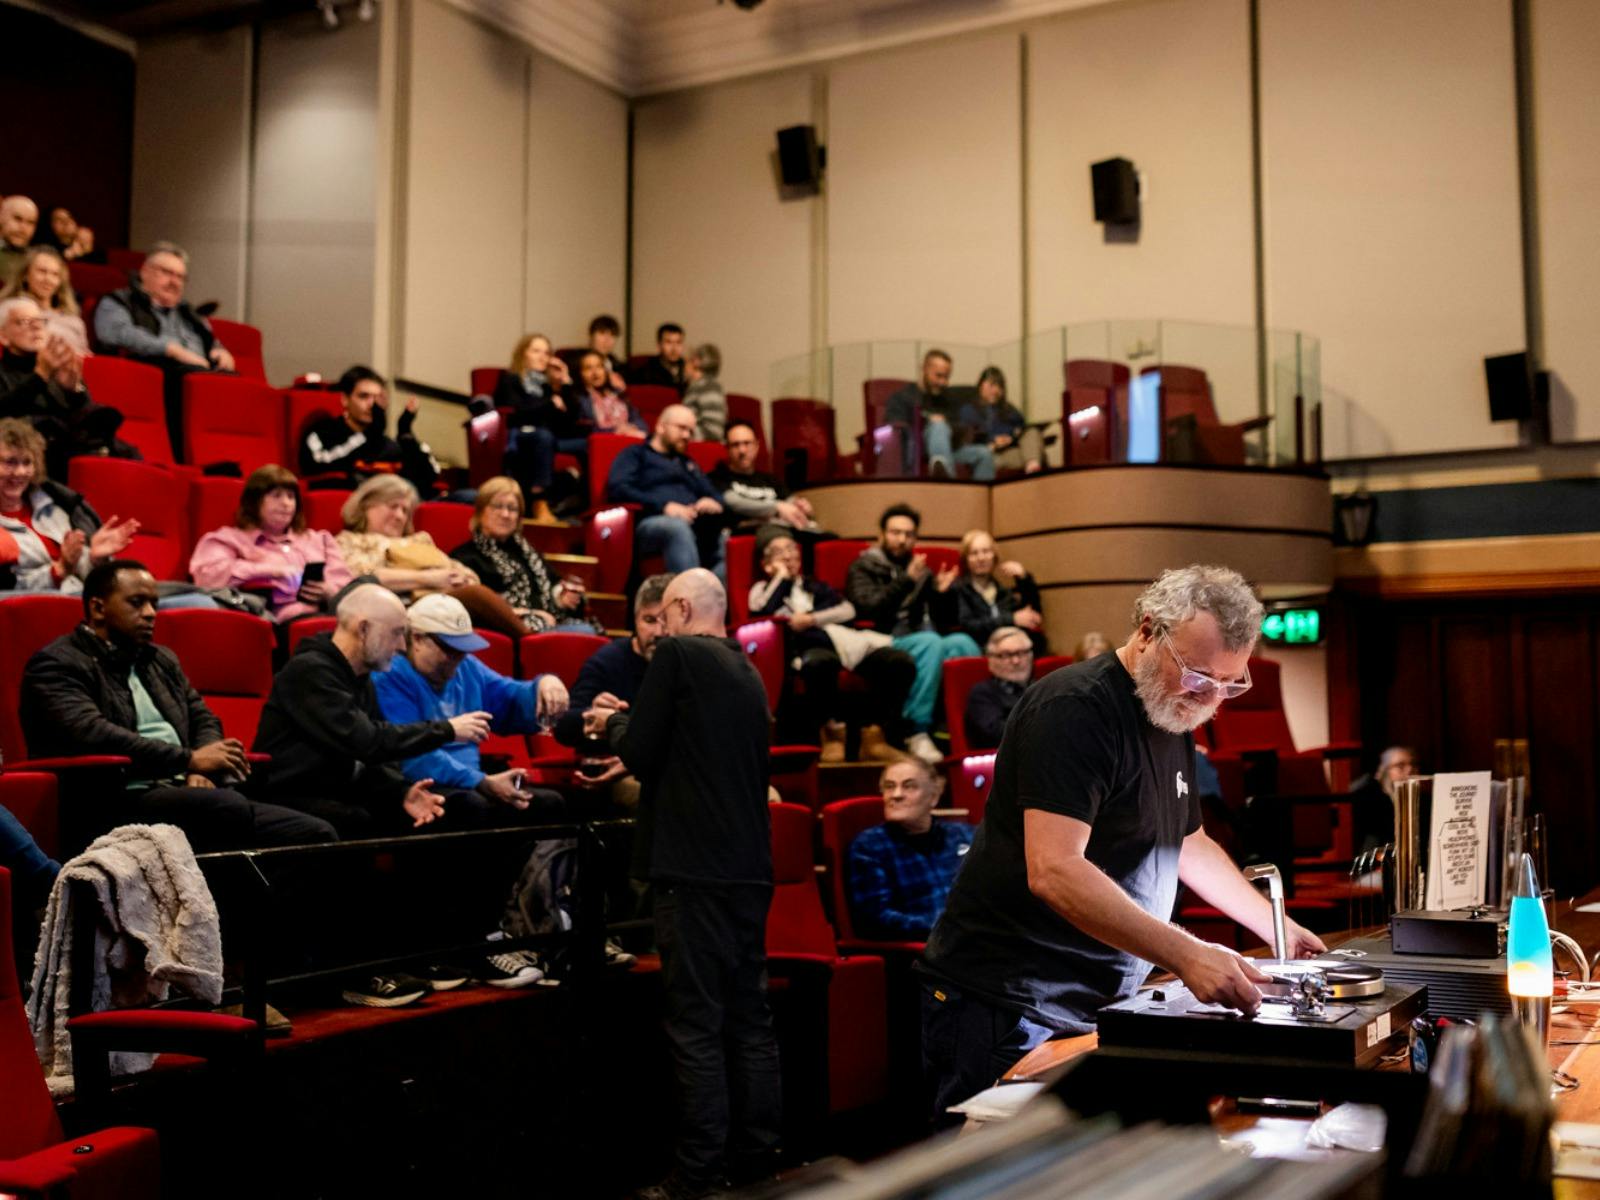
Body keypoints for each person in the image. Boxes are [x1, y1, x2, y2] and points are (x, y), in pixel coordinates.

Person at [919, 565, 1328, 1118]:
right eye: (1199, 675)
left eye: (1229, 683)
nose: (1210, 697)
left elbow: (1186, 842)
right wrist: (1187, 954)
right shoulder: (1073, 710)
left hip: (1092, 1000)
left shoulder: (1172, 710)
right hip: (1009, 1003)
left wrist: (1273, 926)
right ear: (1147, 630)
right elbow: (1054, 869)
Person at [588, 569, 781, 1199]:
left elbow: (641, 753)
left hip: (693, 868)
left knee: (696, 1024)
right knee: (750, 1020)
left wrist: (611, 722)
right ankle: (758, 1163)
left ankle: (699, 1174)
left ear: (677, 607)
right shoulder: (746, 669)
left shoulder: (677, 653)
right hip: (750, 868)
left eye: (662, 616)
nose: (658, 630)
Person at [21, 560, 337, 849]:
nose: (150, 613)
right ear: (98, 608)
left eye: (154, 604)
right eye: (137, 602)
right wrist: (188, 761)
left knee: (314, 833)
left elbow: (204, 718)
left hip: (182, 786)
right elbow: (92, 733)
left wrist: (204, 770)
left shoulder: (159, 659)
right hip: (117, 795)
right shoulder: (58, 663)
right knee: (226, 808)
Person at [252, 583, 491, 838]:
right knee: (356, 821)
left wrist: (402, 792)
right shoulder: (309, 672)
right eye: (397, 633)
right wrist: (447, 729)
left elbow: (375, 758)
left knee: (456, 808)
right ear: (364, 629)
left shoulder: (361, 676)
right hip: (291, 795)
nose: (402, 646)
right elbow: (367, 741)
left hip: (342, 791)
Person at [372, 593, 568, 824]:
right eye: (449, 649)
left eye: (463, 649)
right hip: (416, 786)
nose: (457, 659)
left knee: (549, 803)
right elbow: (410, 754)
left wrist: (544, 685)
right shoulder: (390, 674)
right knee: (472, 807)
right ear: (416, 638)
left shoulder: (466, 667)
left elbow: (508, 697)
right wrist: (481, 781)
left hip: (470, 782)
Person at [749, 533, 913, 763]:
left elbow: (848, 611)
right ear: (766, 565)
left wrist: (812, 619)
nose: (788, 555)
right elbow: (760, 612)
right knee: (821, 662)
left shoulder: (814, 585)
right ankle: (832, 736)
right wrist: (782, 578)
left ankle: (874, 735)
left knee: (899, 662)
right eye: (779, 553)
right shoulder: (761, 588)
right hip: (802, 649)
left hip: (844, 643)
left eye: (791, 550)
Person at [845, 504, 979, 764]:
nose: (902, 539)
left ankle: (959, 728)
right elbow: (868, 608)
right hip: (881, 638)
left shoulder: (922, 570)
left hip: (921, 636)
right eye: (895, 533)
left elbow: (941, 620)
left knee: (963, 643)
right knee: (931, 643)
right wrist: (905, 580)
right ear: (881, 535)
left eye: (908, 534)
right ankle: (916, 730)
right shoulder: (863, 566)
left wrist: (942, 593)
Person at [335, 474, 530, 637]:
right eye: (393, 506)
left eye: (405, 510)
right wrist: (430, 579)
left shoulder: (418, 540)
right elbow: (362, 577)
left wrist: (459, 578)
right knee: (477, 596)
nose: (400, 516)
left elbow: (467, 574)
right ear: (365, 506)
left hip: (443, 602)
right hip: (402, 607)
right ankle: (532, 640)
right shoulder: (349, 541)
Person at [92, 243, 236, 457]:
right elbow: (113, 332)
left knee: (235, 383)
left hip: (202, 382)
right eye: (167, 273)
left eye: (180, 277)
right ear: (145, 272)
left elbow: (212, 342)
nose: (174, 282)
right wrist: (171, 349)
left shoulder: (189, 313)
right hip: (154, 382)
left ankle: (222, 456)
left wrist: (221, 352)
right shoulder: (119, 300)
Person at [553, 573, 672, 811]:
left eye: (666, 621)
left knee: (766, 795)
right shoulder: (608, 662)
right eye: (649, 620)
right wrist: (592, 713)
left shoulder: (685, 664)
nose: (659, 632)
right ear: (635, 621)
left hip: (669, 768)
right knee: (665, 800)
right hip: (617, 774)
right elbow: (563, 725)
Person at [189, 464, 353, 623]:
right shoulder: (229, 539)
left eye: (291, 496)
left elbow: (344, 584)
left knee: (368, 586)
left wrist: (330, 591)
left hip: (331, 615)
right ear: (254, 502)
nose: (286, 503)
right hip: (273, 621)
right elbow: (207, 577)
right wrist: (269, 570)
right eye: (276, 495)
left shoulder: (319, 539)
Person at [0, 418, 137, 596]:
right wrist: (58, 571)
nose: (20, 472)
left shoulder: (51, 509)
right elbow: (8, 590)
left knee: (176, 598)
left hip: (81, 597)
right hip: (41, 609)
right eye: (10, 462)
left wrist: (94, 558)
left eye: (27, 463)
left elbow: (79, 571)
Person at [0, 298, 133, 476]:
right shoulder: (13, 371)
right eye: (24, 322)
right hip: (32, 450)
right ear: (3, 336)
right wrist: (41, 376)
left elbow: (86, 414)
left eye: (41, 321)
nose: (37, 327)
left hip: (72, 444)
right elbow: (4, 410)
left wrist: (74, 390)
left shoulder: (58, 367)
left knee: (125, 449)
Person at [846, 758, 974, 941]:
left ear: (934, 796)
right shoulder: (869, 847)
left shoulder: (964, 836)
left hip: (975, 941)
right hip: (921, 951)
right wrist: (947, 928)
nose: (896, 794)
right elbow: (876, 918)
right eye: (889, 786)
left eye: (909, 786)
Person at [448, 476, 594, 634]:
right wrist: (529, 614)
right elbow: (477, 606)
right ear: (481, 510)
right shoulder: (465, 556)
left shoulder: (528, 553)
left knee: (588, 631)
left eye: (512, 509)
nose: (505, 514)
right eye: (497, 506)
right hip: (508, 630)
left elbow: (555, 584)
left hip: (548, 625)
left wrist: (562, 597)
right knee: (584, 631)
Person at [605, 405, 724, 575]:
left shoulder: (687, 463)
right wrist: (664, 506)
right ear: (661, 426)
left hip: (694, 522)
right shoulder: (636, 454)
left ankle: (711, 599)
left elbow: (715, 494)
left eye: (690, 431)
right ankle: (689, 596)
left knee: (725, 539)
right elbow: (619, 489)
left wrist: (711, 501)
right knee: (676, 527)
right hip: (650, 522)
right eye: (681, 428)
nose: (687, 436)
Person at [298, 366, 441, 498]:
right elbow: (319, 467)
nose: (372, 404)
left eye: (376, 398)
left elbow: (430, 475)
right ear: (345, 399)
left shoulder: (385, 443)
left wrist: (405, 432)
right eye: (363, 396)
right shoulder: (324, 432)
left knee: (462, 497)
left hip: (400, 506)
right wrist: (369, 435)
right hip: (355, 504)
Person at [493, 332, 583, 525]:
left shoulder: (549, 386)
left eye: (546, 352)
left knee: (587, 444)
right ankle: (539, 501)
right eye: (536, 351)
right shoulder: (511, 379)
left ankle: (583, 503)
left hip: (548, 437)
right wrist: (549, 404)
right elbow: (517, 412)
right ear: (523, 354)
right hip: (519, 434)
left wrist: (566, 382)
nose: (542, 357)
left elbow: (573, 420)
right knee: (543, 437)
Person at [885, 350, 993, 480]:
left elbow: (959, 427)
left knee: (983, 453)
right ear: (924, 369)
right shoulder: (903, 397)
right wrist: (929, 421)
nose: (943, 382)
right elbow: (895, 428)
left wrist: (948, 427)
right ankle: (946, 482)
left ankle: (980, 496)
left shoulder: (947, 398)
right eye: (939, 376)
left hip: (948, 448)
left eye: (947, 377)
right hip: (916, 452)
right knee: (938, 425)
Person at [707, 421, 818, 539]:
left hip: (785, 529)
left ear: (756, 446)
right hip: (750, 531)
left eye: (747, 443)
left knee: (829, 538)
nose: (742, 450)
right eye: (735, 445)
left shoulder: (770, 479)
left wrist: (801, 507)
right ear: (727, 448)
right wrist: (777, 507)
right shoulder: (717, 477)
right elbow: (733, 502)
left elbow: (790, 501)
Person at [949, 529, 1047, 655]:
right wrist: (1011, 619)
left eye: (986, 551)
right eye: (974, 553)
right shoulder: (959, 589)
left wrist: (1023, 579)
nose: (981, 558)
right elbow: (969, 625)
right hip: (978, 647)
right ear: (965, 559)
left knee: (1037, 641)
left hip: (1008, 646)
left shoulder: (1002, 590)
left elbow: (1032, 614)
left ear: (994, 556)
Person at [0, 246, 88, 353]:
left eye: (55, 274)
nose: (48, 279)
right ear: (25, 275)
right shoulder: (10, 310)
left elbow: (87, 358)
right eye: (42, 271)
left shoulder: (74, 321)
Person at [957, 366, 1043, 475]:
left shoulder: (1009, 409)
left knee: (1032, 432)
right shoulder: (969, 410)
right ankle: (1033, 464)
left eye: (1000, 387)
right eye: (992, 385)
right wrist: (993, 442)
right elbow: (967, 440)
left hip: (1010, 450)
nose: (996, 390)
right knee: (1032, 454)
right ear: (981, 385)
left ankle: (1033, 465)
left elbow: (1021, 428)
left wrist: (1012, 437)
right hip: (989, 453)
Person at [964, 626, 1033, 751]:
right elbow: (996, 734)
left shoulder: (1040, 687)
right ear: (991, 659)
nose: (1016, 661)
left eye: (1022, 653)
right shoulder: (982, 693)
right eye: (1006, 655)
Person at [1348, 745, 1417, 854]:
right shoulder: (1369, 800)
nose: (1410, 770)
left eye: (1412, 764)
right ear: (1384, 770)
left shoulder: (1422, 800)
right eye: (1400, 765)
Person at [573, 350, 646, 438]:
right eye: (588, 368)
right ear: (580, 373)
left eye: (599, 366)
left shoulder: (618, 393)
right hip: (601, 442)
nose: (595, 373)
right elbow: (586, 429)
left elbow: (637, 419)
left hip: (628, 438)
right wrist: (616, 431)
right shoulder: (578, 398)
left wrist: (635, 428)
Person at [681, 344, 726, 442]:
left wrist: (680, 435)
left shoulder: (709, 387)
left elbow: (714, 431)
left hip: (703, 448)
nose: (684, 367)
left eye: (686, 361)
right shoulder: (696, 386)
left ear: (696, 361)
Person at [625, 322, 687, 393]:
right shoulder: (647, 371)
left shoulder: (687, 368)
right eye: (668, 342)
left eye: (678, 342)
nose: (674, 348)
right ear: (659, 345)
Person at [0, 197, 38, 290]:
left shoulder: (37, 259)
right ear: (1, 217)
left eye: (30, 222)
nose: (23, 228)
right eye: (18, 219)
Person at [586, 313, 629, 391]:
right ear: (591, 336)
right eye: (602, 333)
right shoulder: (576, 362)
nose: (607, 340)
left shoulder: (620, 366)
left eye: (612, 335)